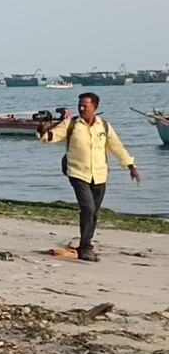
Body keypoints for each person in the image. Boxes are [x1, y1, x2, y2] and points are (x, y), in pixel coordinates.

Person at [38, 92, 140, 262]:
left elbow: (117, 147)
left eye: (85, 105)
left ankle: (86, 244)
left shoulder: (104, 127)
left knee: (93, 213)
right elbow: (50, 138)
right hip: (78, 174)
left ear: (95, 107)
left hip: (100, 175)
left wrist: (131, 166)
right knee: (88, 208)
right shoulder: (71, 124)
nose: (81, 108)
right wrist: (43, 130)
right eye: (80, 105)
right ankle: (85, 248)